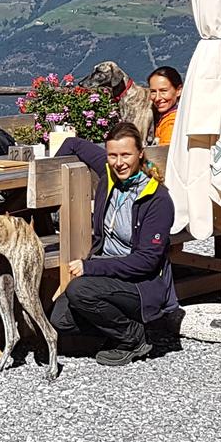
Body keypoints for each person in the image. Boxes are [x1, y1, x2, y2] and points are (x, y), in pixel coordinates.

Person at [49, 120, 178, 365]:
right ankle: (116, 330)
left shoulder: (157, 199)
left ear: (140, 154)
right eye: (113, 155)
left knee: (79, 291)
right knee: (59, 320)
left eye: (126, 155)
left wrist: (90, 268)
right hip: (105, 276)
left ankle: (134, 337)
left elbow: (147, 261)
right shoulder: (109, 174)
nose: (119, 162)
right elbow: (73, 143)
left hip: (141, 283)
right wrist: (53, 172)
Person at [147, 66, 183, 145]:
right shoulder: (180, 115)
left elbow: (165, 155)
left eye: (163, 91)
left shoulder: (171, 123)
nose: (157, 98)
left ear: (178, 90)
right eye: (153, 92)